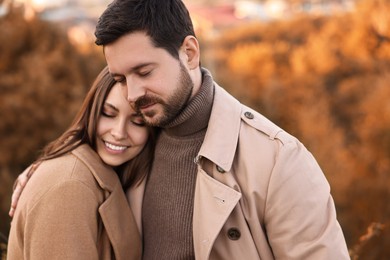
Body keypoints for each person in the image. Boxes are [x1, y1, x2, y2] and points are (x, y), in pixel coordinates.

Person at [11, 0, 350, 259]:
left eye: (144, 72)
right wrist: (48, 170)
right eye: (120, 78)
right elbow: (83, 170)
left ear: (188, 53)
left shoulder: (279, 161)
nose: (132, 94)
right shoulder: (139, 137)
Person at [7, 66, 157, 260]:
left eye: (138, 122)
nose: (119, 133)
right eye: (108, 114)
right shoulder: (70, 187)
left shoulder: (116, 171)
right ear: (92, 111)